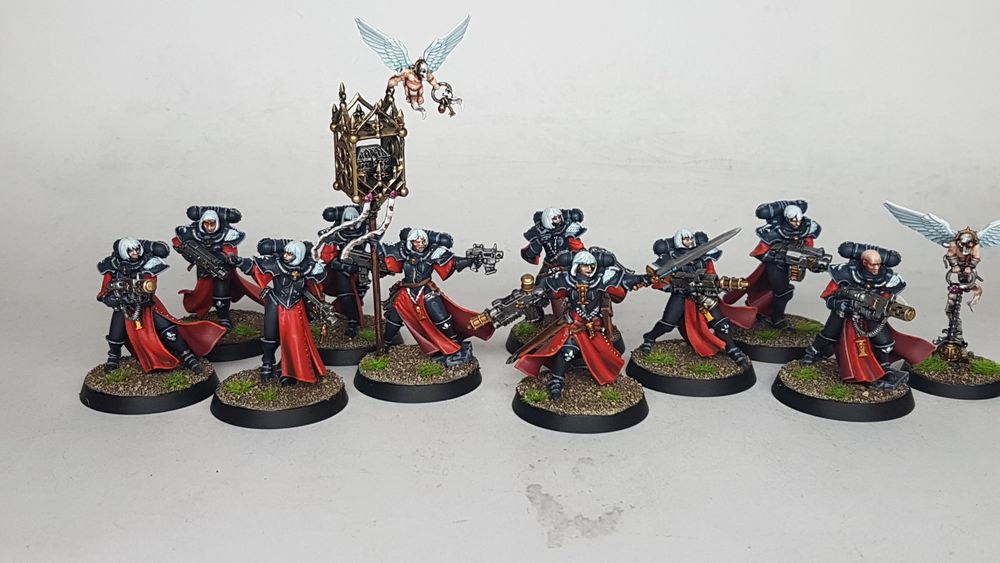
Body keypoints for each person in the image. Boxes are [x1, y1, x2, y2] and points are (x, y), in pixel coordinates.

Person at [513, 249, 647, 399]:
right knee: (567, 352)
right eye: (585, 265)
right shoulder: (567, 280)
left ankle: (604, 374)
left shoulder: (602, 279)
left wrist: (642, 279)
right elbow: (549, 291)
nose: (589, 269)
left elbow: (624, 284)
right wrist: (534, 296)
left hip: (594, 328)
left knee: (603, 354)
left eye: (591, 265)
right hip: (575, 326)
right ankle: (556, 381)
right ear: (577, 266)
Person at [802, 243, 933, 389]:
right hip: (844, 312)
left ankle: (885, 366)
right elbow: (828, 294)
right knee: (829, 334)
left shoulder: (886, 277)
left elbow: (888, 297)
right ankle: (811, 353)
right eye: (873, 264)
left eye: (878, 264)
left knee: (884, 342)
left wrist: (883, 308)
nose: (876, 268)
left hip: (871, 314)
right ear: (864, 263)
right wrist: (839, 304)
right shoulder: (846, 272)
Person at [97, 238, 225, 373]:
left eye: (136, 249)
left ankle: (188, 356)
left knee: (168, 329)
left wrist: (143, 295)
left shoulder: (147, 263)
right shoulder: (113, 266)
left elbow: (150, 284)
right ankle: (113, 357)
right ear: (124, 252)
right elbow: (104, 290)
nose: (135, 253)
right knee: (115, 335)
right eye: (130, 251)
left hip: (146, 306)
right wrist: (110, 299)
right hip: (122, 307)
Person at [639, 229, 755, 368]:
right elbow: (655, 274)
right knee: (667, 324)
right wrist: (658, 280)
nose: (688, 242)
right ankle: (650, 337)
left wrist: (718, 285)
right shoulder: (670, 257)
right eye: (685, 239)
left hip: (702, 294)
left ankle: (732, 349)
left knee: (721, 323)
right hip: (681, 294)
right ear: (679, 241)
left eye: (690, 239)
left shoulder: (703, 254)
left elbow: (710, 273)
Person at [380, 228, 495, 366]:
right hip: (407, 291)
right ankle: (384, 345)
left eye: (423, 241)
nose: (421, 244)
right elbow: (387, 261)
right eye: (417, 242)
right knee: (394, 319)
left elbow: (453, 264)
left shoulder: (433, 252)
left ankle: (454, 343)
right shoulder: (403, 251)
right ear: (411, 242)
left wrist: (470, 261)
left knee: (442, 318)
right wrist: (376, 252)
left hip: (426, 290)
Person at [237, 239, 328, 385]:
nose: (285, 256)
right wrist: (241, 262)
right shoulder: (277, 264)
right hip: (275, 302)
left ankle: (290, 370)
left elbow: (315, 288)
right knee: (270, 335)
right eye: (285, 253)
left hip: (295, 307)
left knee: (294, 339)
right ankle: (267, 363)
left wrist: (319, 304)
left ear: (298, 256)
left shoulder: (308, 268)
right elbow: (257, 270)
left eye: (290, 254)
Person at [723, 200, 823, 329]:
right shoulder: (774, 231)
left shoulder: (807, 228)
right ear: (787, 219)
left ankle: (761, 308)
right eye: (793, 221)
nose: (797, 224)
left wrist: (812, 262)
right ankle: (777, 319)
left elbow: (809, 248)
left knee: (783, 290)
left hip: (794, 264)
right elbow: (760, 252)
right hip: (777, 265)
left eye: (798, 221)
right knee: (782, 292)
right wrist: (779, 256)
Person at [172, 206, 261, 328]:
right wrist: (187, 253)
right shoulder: (193, 232)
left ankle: (223, 318)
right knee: (203, 293)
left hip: (221, 268)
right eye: (206, 224)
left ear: (217, 223)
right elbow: (179, 244)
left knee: (221, 293)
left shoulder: (227, 233)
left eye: (212, 224)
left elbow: (230, 252)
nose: (209, 227)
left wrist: (226, 257)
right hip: (203, 268)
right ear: (202, 223)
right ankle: (203, 314)